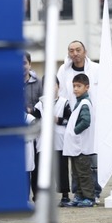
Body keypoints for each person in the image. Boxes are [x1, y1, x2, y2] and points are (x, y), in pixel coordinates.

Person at [56, 41, 101, 201]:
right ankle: (78, 194)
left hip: (91, 120)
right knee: (76, 163)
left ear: (85, 51)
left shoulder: (96, 68)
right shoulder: (63, 70)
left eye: (78, 50)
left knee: (91, 162)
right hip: (71, 120)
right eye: (71, 50)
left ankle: (93, 193)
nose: (75, 53)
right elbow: (61, 95)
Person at [32, 76, 72, 206]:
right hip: (43, 143)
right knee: (40, 170)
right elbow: (35, 123)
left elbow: (69, 121)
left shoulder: (65, 102)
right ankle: (39, 196)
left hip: (59, 143)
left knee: (61, 170)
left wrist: (58, 120)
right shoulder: (39, 105)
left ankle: (65, 195)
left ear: (58, 86)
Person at [63, 74, 96, 207]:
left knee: (83, 173)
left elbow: (86, 121)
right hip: (76, 147)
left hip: (81, 146)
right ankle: (79, 195)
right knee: (76, 173)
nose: (75, 89)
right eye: (74, 86)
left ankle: (89, 197)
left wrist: (74, 132)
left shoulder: (84, 103)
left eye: (79, 86)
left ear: (86, 87)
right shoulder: (79, 102)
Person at [23, 52, 43, 198]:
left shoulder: (39, 83)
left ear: (29, 64)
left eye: (24, 63)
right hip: (19, 131)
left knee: (37, 165)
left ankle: (38, 196)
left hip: (36, 130)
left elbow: (44, 104)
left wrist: (33, 112)